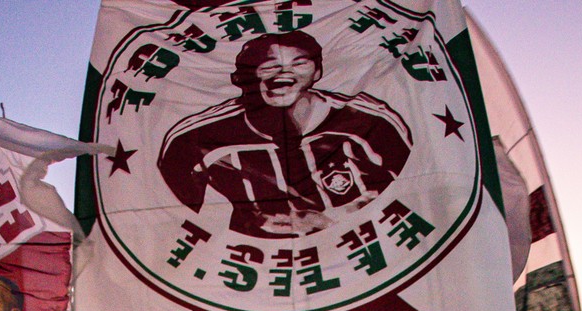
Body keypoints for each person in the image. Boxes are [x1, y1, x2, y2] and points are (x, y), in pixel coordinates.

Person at [158, 29, 412, 239]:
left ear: (317, 73)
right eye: (268, 67)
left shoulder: (368, 120)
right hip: (259, 275)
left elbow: (422, 184)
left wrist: (338, 217)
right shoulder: (195, 139)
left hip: (360, 252)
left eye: (299, 63)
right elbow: (166, 218)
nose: (283, 73)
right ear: (241, 78)